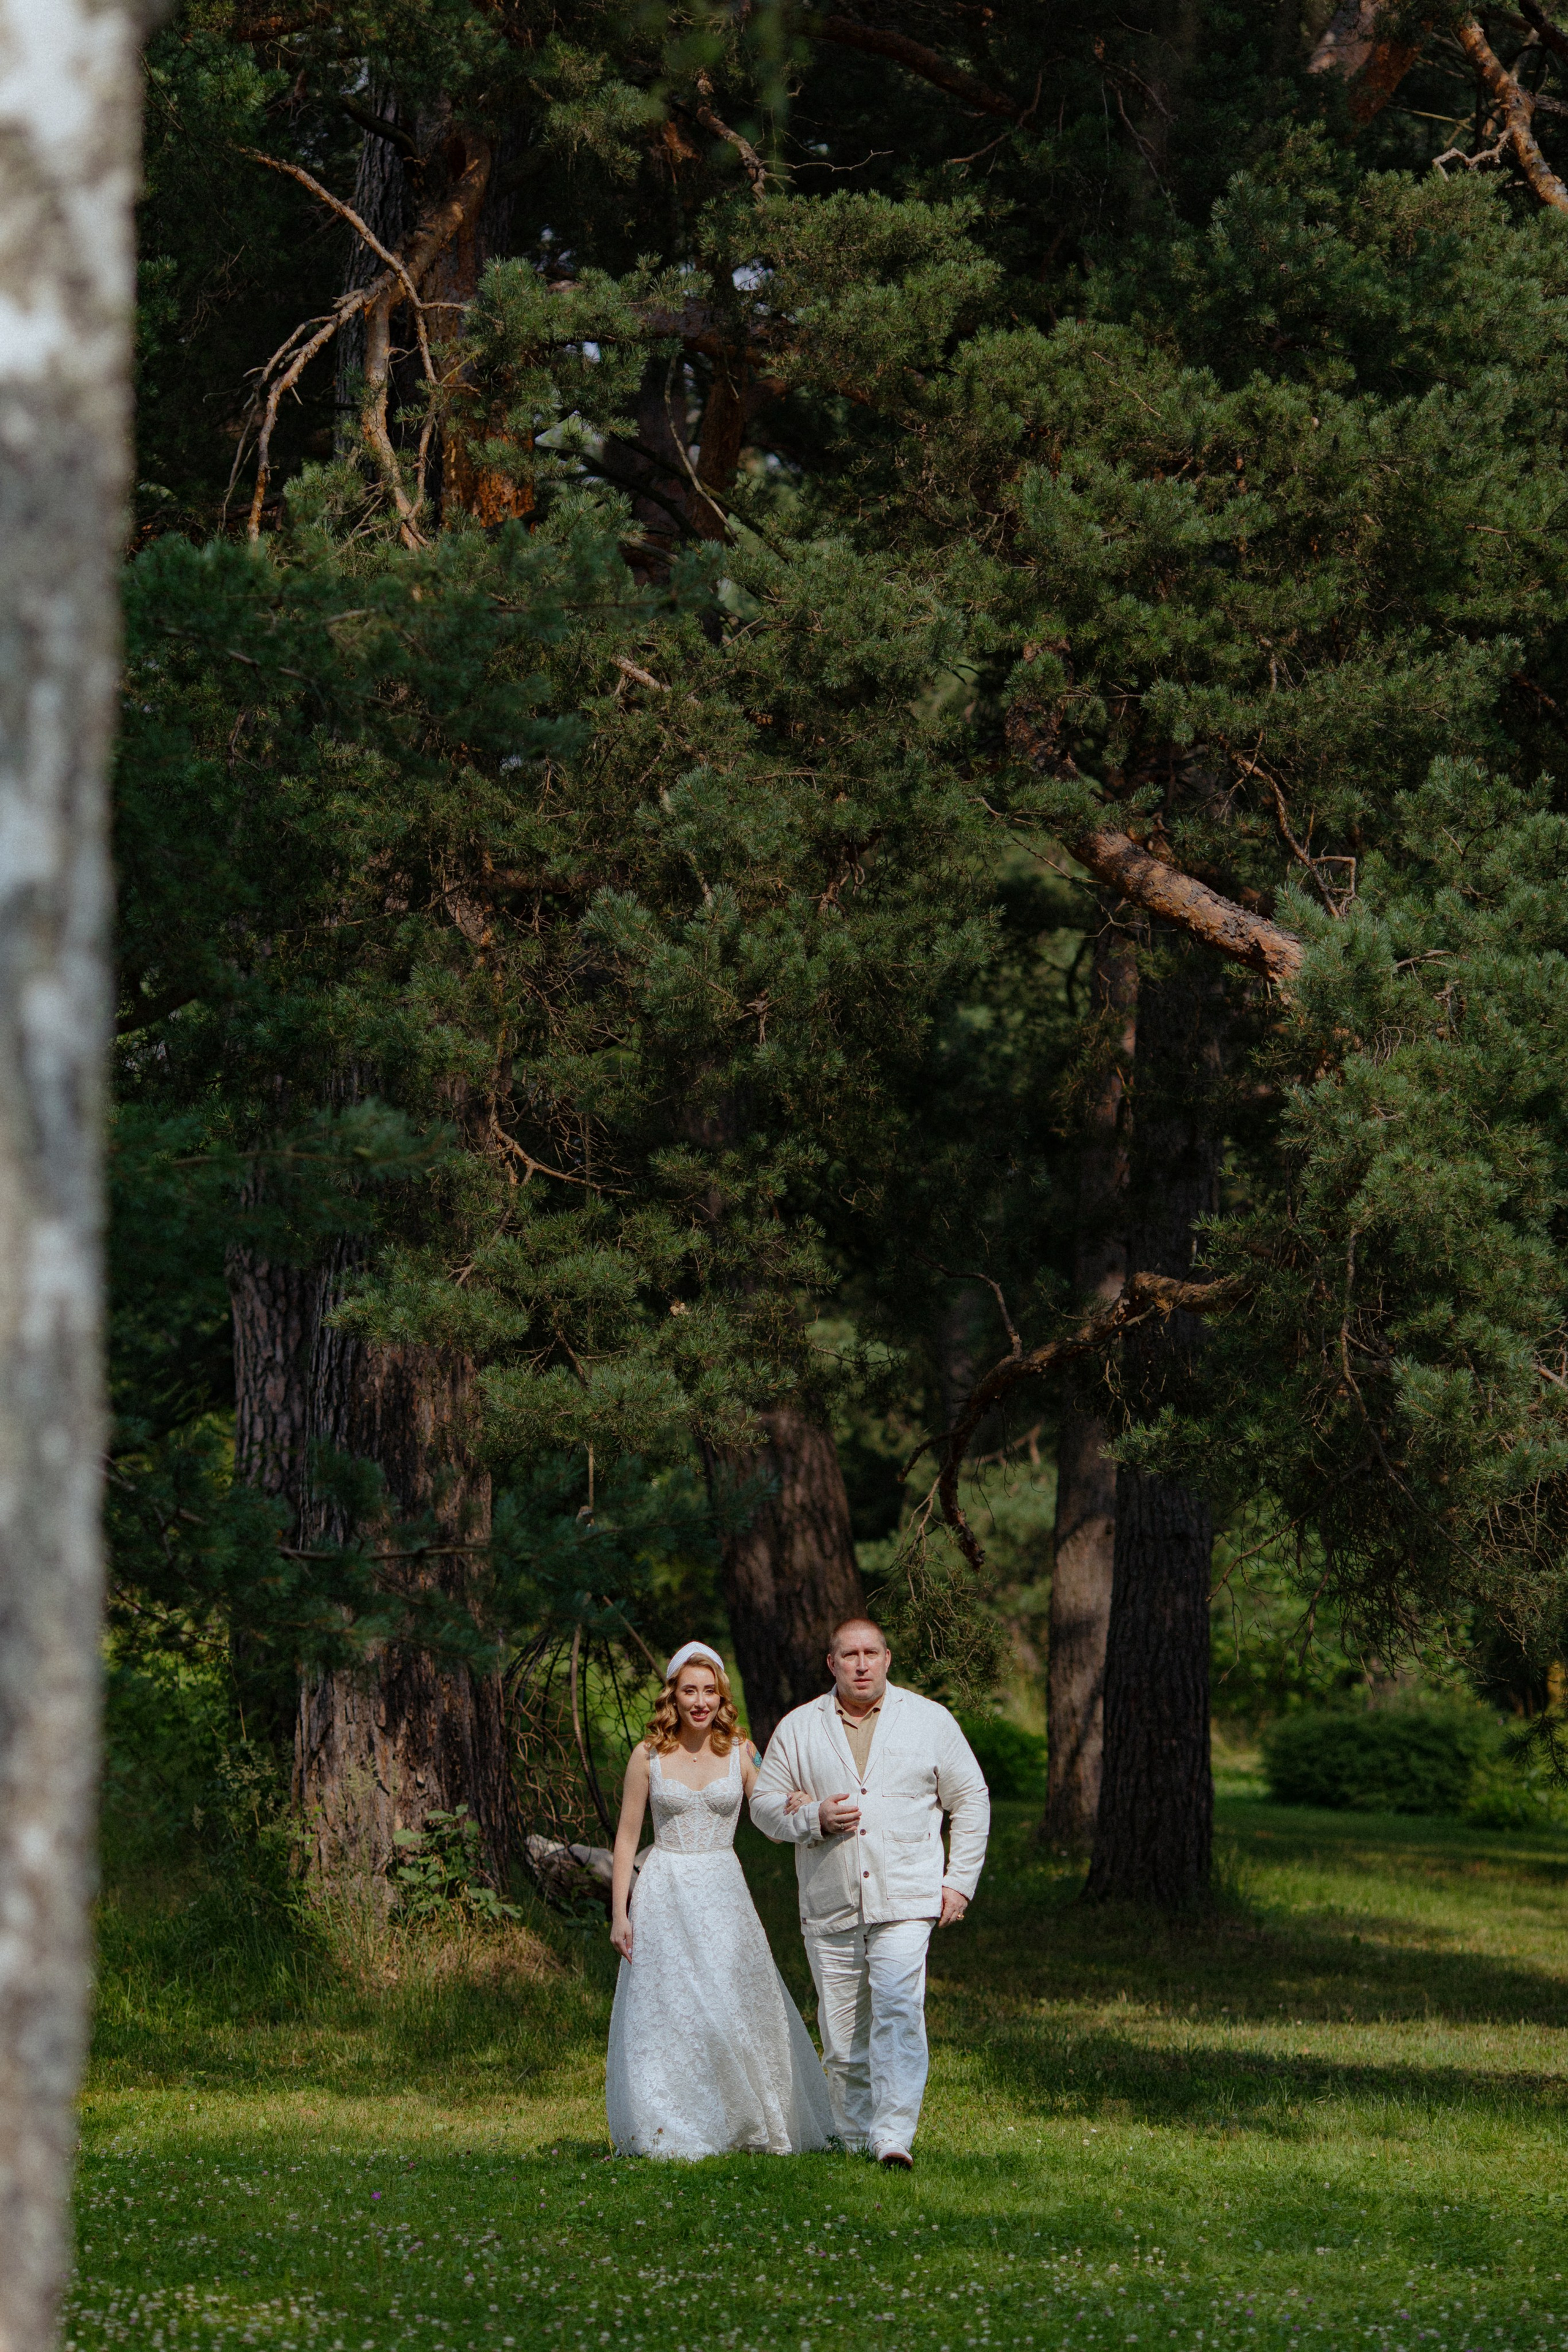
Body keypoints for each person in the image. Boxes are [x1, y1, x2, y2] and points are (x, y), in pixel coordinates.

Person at [749, 1616, 989, 2168]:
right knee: (841, 2027)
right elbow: (764, 1807)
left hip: (907, 1895)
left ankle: (892, 2136)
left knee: (899, 2012)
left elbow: (971, 1798)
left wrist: (958, 1882)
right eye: (849, 1655)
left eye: (871, 1653)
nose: (861, 1664)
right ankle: (854, 2134)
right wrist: (813, 1817)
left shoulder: (930, 1721)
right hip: (830, 1899)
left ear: (887, 1659)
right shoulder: (799, 1727)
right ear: (831, 1664)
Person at [604, 1640, 837, 2159]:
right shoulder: (647, 1756)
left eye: (710, 1690)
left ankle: (750, 2117)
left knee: (733, 1999)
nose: (701, 1700)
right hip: (664, 1886)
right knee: (672, 2006)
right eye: (690, 1690)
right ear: (674, 1696)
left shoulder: (741, 1751)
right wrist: (619, 1912)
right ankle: (671, 2120)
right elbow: (625, 1839)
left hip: (722, 1887)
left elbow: (772, 1824)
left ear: (721, 1695)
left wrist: (798, 1803)